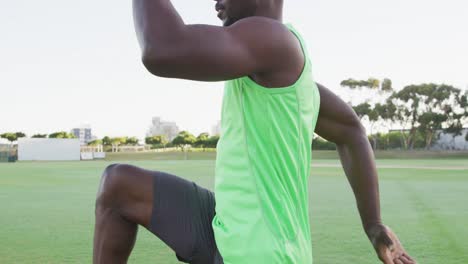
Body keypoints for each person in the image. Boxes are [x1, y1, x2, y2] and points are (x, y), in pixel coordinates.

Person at [93, 0, 416, 263]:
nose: (215, 3)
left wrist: (374, 223)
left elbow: (161, 49)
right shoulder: (287, 73)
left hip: (262, 254)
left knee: (118, 185)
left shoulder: (272, 40)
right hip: (227, 229)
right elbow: (351, 131)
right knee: (118, 186)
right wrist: (373, 225)